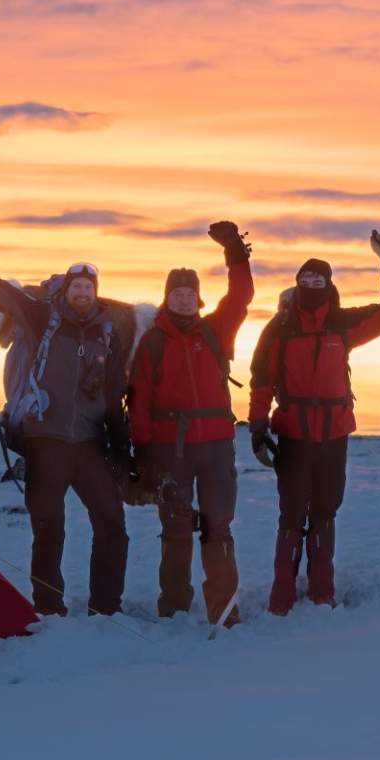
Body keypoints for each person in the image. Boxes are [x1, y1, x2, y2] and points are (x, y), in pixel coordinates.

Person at [0, 219, 130, 616]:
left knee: (112, 525)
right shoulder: (40, 318)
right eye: (77, 287)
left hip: (89, 446)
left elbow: (115, 392)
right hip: (46, 444)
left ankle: (106, 607)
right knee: (49, 529)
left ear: (96, 292)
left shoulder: (109, 332)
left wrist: (121, 443)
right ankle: (49, 609)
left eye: (89, 287)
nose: (83, 293)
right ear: (66, 291)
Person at [247, 229, 380, 616]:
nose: (312, 285)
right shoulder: (279, 329)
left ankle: (323, 592)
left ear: (330, 285)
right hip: (293, 435)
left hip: (335, 434)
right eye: (305, 280)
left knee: (324, 511)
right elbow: (261, 380)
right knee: (291, 515)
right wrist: (257, 428)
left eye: (319, 280)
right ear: (296, 284)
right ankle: (281, 596)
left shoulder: (343, 324)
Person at [126, 222, 255, 623]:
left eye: (189, 293)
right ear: (167, 298)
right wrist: (144, 452)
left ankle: (224, 610)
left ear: (198, 298)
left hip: (216, 446)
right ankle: (174, 609)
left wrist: (234, 252)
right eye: (176, 293)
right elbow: (140, 400)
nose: (184, 299)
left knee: (218, 526)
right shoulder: (153, 342)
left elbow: (241, 296)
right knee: (177, 529)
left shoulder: (216, 330)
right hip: (171, 450)